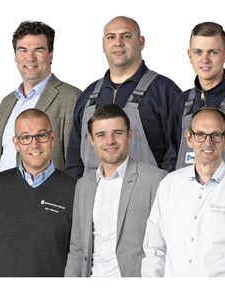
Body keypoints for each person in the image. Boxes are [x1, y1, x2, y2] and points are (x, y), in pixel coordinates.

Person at [142, 107, 225, 277]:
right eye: (200, 134)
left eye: (216, 135)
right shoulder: (169, 185)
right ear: (189, 139)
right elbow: (154, 250)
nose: (208, 143)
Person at [66, 16, 182, 178]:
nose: (118, 42)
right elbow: (74, 161)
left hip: (147, 193)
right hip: (93, 193)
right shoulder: (87, 96)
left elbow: (178, 152)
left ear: (141, 42)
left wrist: (162, 188)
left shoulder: (165, 92)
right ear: (103, 45)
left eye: (126, 36)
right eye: (111, 37)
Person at [0, 108, 76, 276]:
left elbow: (80, 252)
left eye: (41, 136)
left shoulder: (74, 189)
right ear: (16, 143)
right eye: (25, 137)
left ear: (52, 138)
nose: (34, 144)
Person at [65, 104, 167, 277]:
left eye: (117, 133)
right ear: (91, 140)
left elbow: (165, 246)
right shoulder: (83, 186)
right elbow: (77, 248)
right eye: (101, 135)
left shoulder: (155, 180)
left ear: (129, 134)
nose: (110, 141)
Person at [0, 20, 81, 178]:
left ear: (50, 54)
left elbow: (76, 164)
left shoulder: (71, 98)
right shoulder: (7, 103)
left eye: (38, 50)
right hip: (1, 192)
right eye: (23, 50)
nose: (30, 58)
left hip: (49, 192)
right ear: (15, 56)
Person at [163, 21, 225, 171]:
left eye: (213, 52)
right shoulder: (182, 101)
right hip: (184, 186)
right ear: (190, 55)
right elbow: (172, 157)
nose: (205, 59)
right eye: (198, 52)